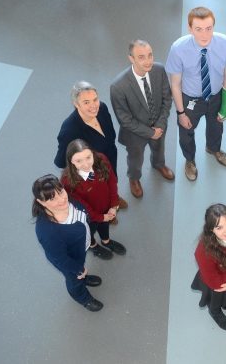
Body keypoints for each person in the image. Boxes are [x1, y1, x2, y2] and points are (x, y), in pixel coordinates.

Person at [166, 6, 226, 181]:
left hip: (215, 96)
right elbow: (175, 85)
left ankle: (213, 149)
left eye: (209, 28)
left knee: (217, 127)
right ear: (190, 28)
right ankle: (189, 160)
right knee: (186, 133)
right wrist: (181, 112)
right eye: (198, 29)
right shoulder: (178, 48)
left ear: (214, 26)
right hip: (190, 99)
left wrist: (225, 107)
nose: (204, 34)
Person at [110, 39, 174, 198]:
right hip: (135, 134)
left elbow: (167, 99)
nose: (148, 61)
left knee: (159, 149)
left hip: (159, 126)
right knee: (135, 159)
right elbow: (124, 119)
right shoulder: (118, 86)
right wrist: (149, 132)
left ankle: (159, 164)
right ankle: (134, 178)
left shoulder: (159, 70)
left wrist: (160, 125)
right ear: (131, 58)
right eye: (141, 57)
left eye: (150, 55)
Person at [32, 174, 103, 312]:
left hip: (81, 247)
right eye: (52, 198)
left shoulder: (71, 201)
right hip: (70, 260)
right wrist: (78, 269)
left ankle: (83, 277)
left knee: (81, 268)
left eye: (61, 192)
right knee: (74, 279)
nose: (62, 199)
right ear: (41, 202)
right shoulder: (47, 231)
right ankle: (83, 297)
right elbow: (58, 258)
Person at [54, 81, 128, 209]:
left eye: (95, 99)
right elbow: (61, 161)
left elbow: (110, 136)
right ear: (76, 104)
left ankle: (113, 198)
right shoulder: (69, 130)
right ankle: (105, 210)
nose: (94, 106)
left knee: (112, 180)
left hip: (110, 157)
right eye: (86, 102)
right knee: (97, 194)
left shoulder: (102, 108)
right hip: (90, 168)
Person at [61, 139, 126, 260]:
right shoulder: (67, 180)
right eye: (78, 161)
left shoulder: (102, 160)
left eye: (88, 157)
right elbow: (81, 205)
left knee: (104, 225)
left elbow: (111, 182)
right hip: (88, 216)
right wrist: (99, 217)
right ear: (71, 161)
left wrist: (113, 205)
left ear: (92, 153)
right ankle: (93, 245)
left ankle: (106, 241)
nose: (86, 164)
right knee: (89, 232)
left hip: (105, 208)